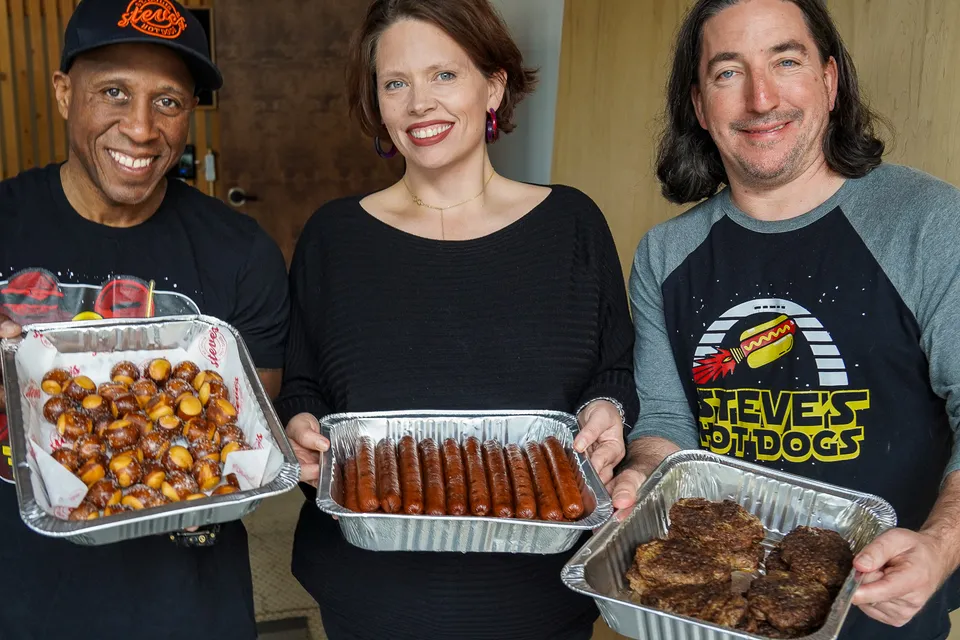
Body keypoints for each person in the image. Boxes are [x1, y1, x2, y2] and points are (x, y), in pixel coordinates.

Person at [274, 1, 638, 638]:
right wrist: (300, 426)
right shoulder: (333, 237)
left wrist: (610, 406)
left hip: (541, 602)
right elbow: (304, 388)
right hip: (371, 600)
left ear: (493, 85)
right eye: (396, 83)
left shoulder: (572, 224)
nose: (420, 104)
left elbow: (613, 369)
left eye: (444, 75)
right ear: (378, 104)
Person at [608, 0, 960, 638]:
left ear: (829, 80)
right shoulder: (665, 254)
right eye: (727, 73)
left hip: (880, 614)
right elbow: (665, 423)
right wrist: (637, 476)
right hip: (709, 612)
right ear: (698, 105)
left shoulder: (929, 223)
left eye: (785, 61)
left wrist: (941, 543)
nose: (761, 98)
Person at [0, 1, 289, 638]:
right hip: (18, 591)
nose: (141, 129)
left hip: (187, 605)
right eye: (113, 92)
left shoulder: (242, 254)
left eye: (168, 101)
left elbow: (248, 429)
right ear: (63, 94)